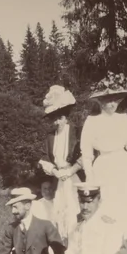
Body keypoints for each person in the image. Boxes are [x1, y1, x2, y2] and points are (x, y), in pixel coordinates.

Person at [80, 72, 127, 232]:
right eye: (107, 101)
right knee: (106, 204)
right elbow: (86, 153)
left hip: (124, 166)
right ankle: (108, 241)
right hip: (103, 167)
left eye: (114, 101)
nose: (111, 105)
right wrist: (90, 175)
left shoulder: (124, 119)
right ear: (100, 102)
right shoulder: (92, 122)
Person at [39, 84, 84, 240]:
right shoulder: (50, 137)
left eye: (60, 118)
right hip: (58, 178)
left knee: (76, 208)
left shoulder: (77, 132)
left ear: (66, 117)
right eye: (54, 119)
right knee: (59, 212)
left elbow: (86, 154)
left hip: (75, 176)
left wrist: (70, 171)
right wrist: (55, 172)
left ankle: (78, 242)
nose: (57, 122)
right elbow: (44, 158)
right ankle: (63, 245)